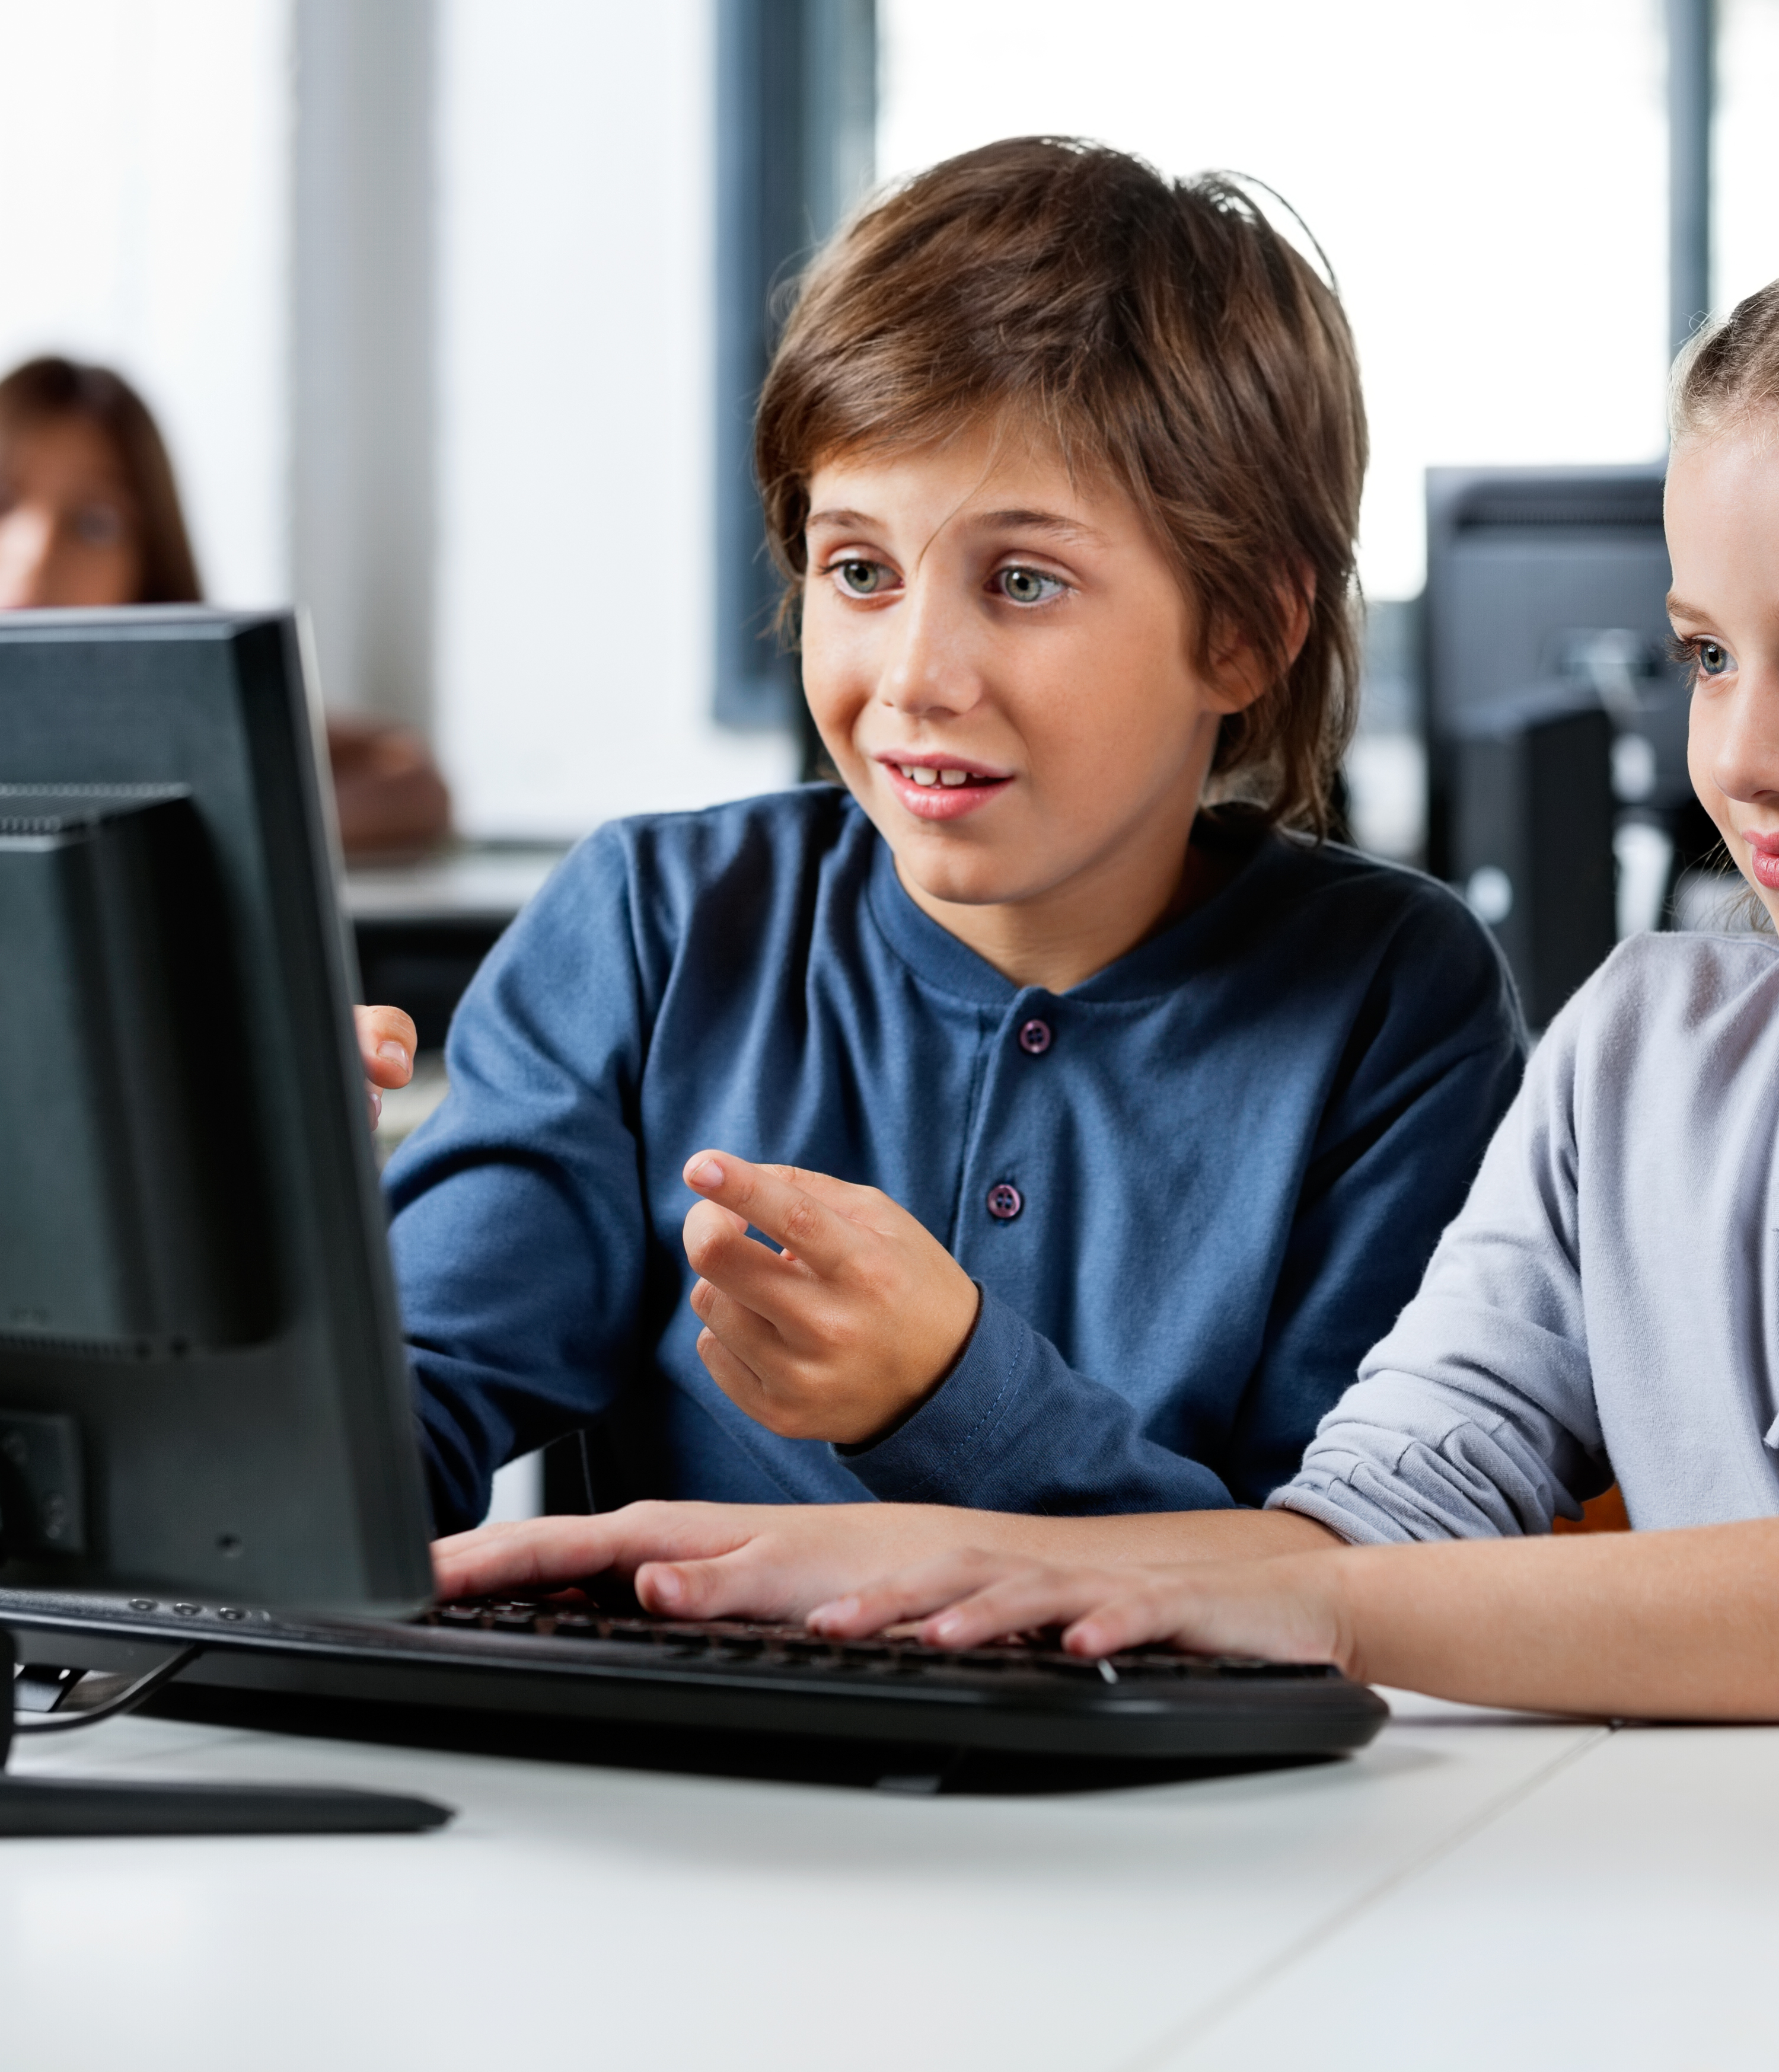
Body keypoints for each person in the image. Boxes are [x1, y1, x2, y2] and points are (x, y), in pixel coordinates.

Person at [441, 207, 1779, 1716]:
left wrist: (1221, 1586)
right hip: (1713, 1941)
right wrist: (920, 1557)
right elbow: (1370, 1527)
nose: (1746, 749)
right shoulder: (1649, 1039)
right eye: (1711, 653)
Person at [382, 138, 1522, 1537]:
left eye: (1025, 579)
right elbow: (398, 1425)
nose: (916, 673)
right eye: (858, 569)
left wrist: (949, 1394)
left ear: (1243, 631)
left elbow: (1345, 1569)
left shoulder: (1392, 1001)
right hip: (672, 1757)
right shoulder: (653, 923)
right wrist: (254, 1291)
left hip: (1185, 1764)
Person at [0, 356, 453, 860]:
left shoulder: (158, 724)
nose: (34, 554)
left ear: (147, 571)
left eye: (94, 524)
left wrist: (213, 822)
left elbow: (408, 775)